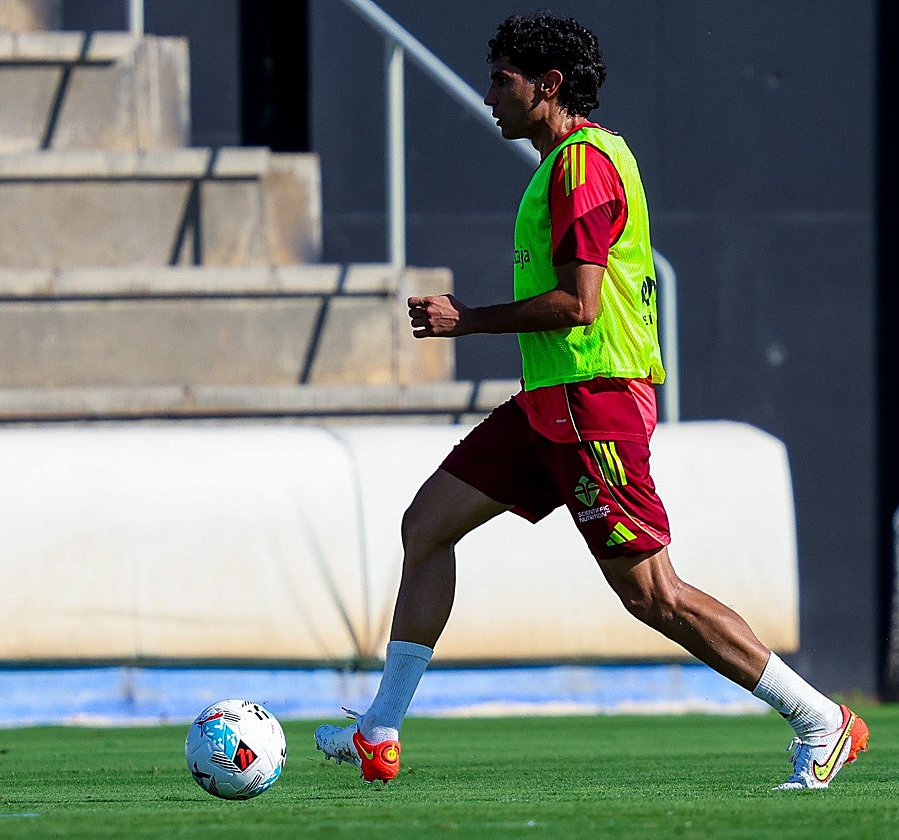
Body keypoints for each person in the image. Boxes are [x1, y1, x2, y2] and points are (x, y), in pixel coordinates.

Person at [315, 10, 868, 791]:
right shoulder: (563, 163)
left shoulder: (582, 165)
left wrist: (467, 321)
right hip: (550, 400)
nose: (488, 96)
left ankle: (823, 720)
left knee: (654, 596)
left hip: (593, 402)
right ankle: (379, 731)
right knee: (426, 526)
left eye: (502, 81)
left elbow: (579, 304)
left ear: (548, 85)